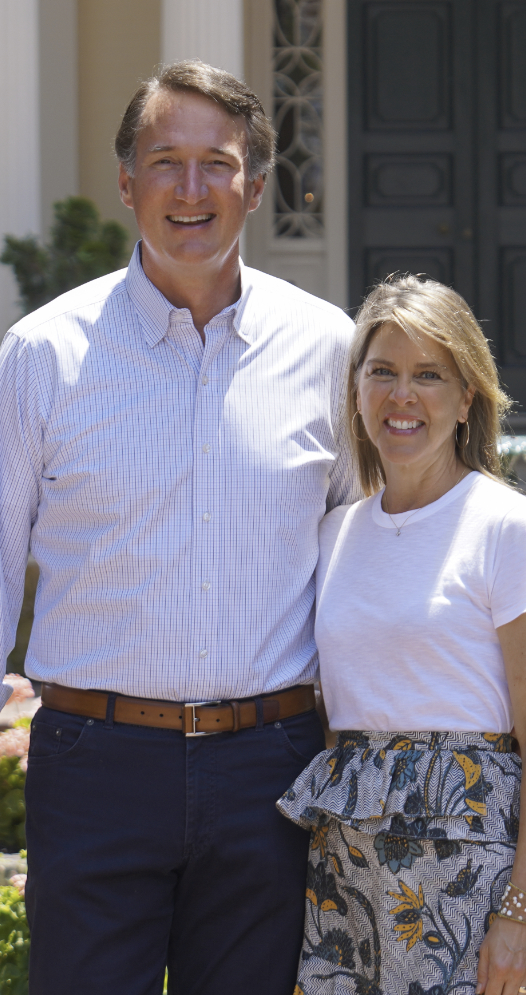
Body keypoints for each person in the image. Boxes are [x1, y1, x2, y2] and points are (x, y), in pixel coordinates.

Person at [0, 61, 359, 995]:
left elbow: (368, 558)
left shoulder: (329, 348)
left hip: (271, 771)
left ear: (255, 184)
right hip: (96, 765)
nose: (191, 190)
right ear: (127, 183)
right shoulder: (42, 354)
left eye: (218, 163)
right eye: (166, 162)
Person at [278, 275, 526, 995]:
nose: (401, 395)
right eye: (381, 371)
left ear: (466, 396)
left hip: (466, 880)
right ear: (355, 389)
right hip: (345, 871)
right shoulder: (334, 534)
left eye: (428, 375)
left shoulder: (505, 527)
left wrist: (518, 910)